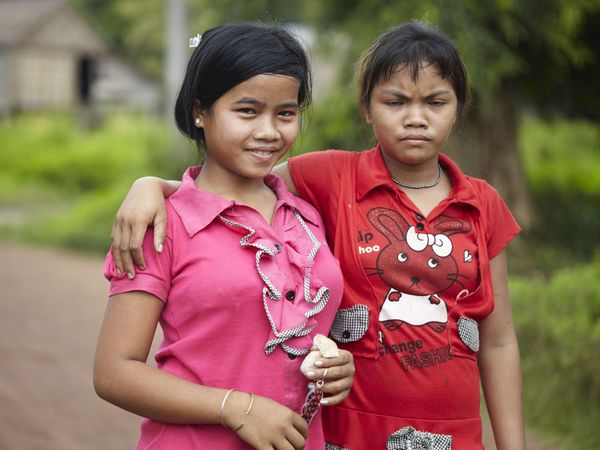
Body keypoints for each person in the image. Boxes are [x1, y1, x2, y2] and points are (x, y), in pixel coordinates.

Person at [109, 21, 526, 449]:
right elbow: (230, 187)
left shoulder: (308, 216)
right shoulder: (325, 178)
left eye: (286, 113)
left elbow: (498, 341)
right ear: (366, 106)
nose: (415, 118)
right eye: (395, 101)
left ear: (460, 105)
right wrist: (153, 186)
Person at [93, 21, 355, 450]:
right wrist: (235, 406)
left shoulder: (307, 215)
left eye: (285, 113)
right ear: (201, 110)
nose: (270, 132)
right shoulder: (160, 223)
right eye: (247, 111)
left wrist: (338, 368)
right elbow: (114, 372)